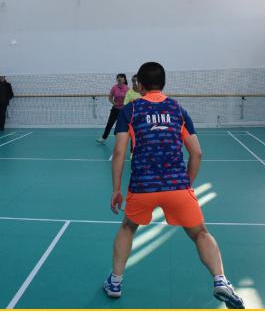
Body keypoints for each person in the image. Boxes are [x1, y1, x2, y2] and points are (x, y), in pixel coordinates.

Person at [103, 62, 244, 309]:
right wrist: (186, 184)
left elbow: (119, 152)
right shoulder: (178, 109)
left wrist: (116, 189)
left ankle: (115, 282)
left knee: (127, 228)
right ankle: (220, 280)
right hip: (178, 186)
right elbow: (197, 153)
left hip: (143, 187)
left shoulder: (130, 110)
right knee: (200, 233)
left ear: (139, 85)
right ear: (163, 83)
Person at [96, 74, 128, 144]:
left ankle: (122, 139)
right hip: (115, 109)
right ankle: (104, 138)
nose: (119, 79)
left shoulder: (127, 89)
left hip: (123, 110)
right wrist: (114, 103)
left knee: (122, 125)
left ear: (124, 79)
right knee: (109, 124)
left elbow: (129, 99)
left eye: (121, 77)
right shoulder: (114, 88)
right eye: (118, 77)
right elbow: (110, 97)